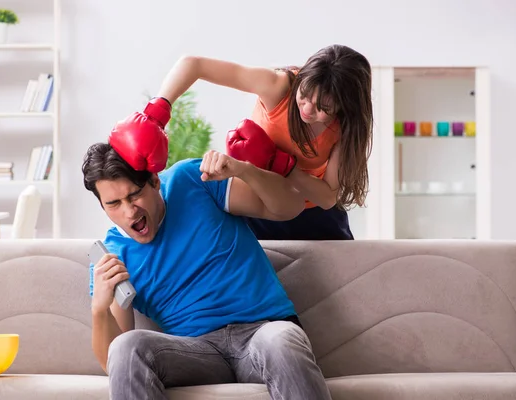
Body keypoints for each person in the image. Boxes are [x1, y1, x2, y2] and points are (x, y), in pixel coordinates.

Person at [82, 98, 332, 399]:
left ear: (154, 180)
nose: (129, 211)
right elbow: (116, 364)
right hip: (197, 352)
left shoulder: (193, 179)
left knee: (283, 339)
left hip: (263, 332)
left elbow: (289, 207)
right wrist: (99, 309)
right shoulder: (114, 255)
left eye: (134, 195)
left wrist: (243, 170)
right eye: (113, 204)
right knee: (126, 347)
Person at [153, 44, 374, 240]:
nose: (307, 110)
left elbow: (327, 198)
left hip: (315, 214)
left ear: (344, 107)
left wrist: (282, 165)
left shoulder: (346, 127)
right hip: (262, 204)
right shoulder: (278, 86)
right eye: (304, 95)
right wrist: (156, 113)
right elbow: (194, 65)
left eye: (323, 108)